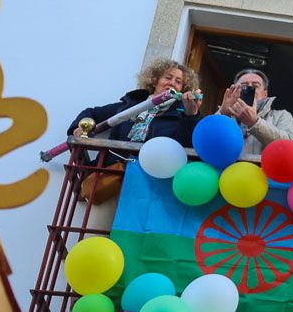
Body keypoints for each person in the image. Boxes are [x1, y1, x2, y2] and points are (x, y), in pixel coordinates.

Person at [67, 57, 203, 203]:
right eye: (167, 78)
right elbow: (92, 112)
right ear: (155, 80)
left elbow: (184, 145)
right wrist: (80, 128)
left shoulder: (181, 116)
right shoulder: (129, 106)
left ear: (182, 89)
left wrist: (190, 116)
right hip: (111, 180)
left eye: (178, 82)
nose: (172, 83)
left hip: (151, 188)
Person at [216, 67, 293, 158]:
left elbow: (291, 145)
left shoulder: (281, 115)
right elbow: (207, 140)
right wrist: (223, 115)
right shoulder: (225, 113)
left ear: (265, 94)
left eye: (255, 86)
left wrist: (255, 123)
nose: (250, 88)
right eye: (243, 86)